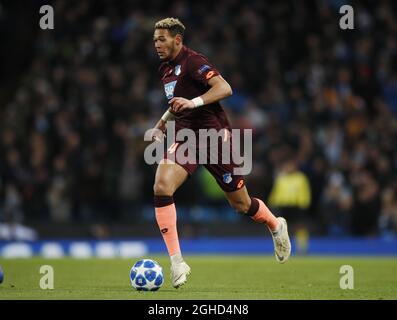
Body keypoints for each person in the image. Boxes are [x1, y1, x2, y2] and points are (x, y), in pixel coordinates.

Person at [149, 17, 291, 288]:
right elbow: (176, 101)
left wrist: (193, 102)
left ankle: (275, 225)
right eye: (155, 39)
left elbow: (224, 88)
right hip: (187, 138)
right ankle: (177, 262)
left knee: (240, 204)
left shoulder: (194, 61)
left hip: (214, 138)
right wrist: (161, 123)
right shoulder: (165, 70)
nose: (157, 44)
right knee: (162, 185)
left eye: (162, 39)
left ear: (177, 40)